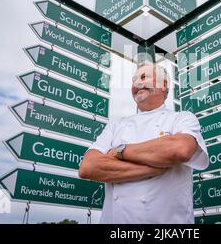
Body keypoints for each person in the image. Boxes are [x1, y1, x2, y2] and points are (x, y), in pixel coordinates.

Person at [79, 62, 209, 223]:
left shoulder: (181, 118)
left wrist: (120, 151)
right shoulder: (116, 125)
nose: (136, 83)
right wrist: (151, 168)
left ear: (163, 84)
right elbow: (88, 167)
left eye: (143, 77)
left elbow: (180, 149)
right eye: (133, 80)